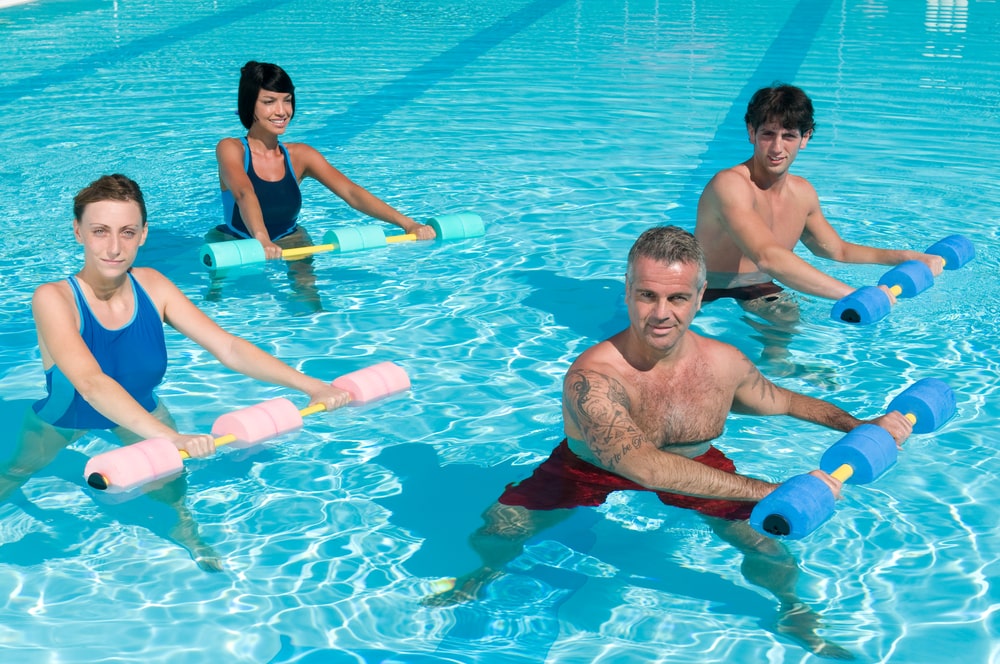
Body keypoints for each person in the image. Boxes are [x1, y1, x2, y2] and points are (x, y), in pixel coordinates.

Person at [425, 226, 912, 659]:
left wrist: (859, 426)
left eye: (677, 298)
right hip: (588, 466)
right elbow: (646, 467)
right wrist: (769, 490)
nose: (661, 313)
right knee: (497, 529)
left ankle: (792, 609)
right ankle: (482, 575)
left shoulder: (723, 363)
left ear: (701, 296)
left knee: (765, 541)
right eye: (647, 296)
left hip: (693, 460)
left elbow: (779, 400)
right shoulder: (594, 377)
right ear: (628, 293)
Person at [7, 174, 351, 570]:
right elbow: (90, 382)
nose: (114, 247)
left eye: (127, 232)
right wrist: (170, 436)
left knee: (171, 484)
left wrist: (312, 385)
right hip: (65, 415)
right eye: (100, 231)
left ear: (143, 235)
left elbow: (228, 346)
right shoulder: (52, 297)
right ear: (78, 232)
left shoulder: (153, 286)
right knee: (15, 473)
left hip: (140, 408)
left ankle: (188, 535)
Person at [694, 83, 944, 324]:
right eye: (768, 134)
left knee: (788, 318)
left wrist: (907, 257)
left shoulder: (802, 193)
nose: (777, 147)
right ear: (751, 132)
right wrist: (853, 294)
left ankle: (780, 365)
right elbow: (767, 258)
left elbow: (836, 250)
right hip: (704, 289)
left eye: (789, 136)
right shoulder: (730, 184)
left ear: (805, 138)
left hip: (758, 286)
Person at [209, 60, 434, 262]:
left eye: (287, 101)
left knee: (309, 298)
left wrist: (408, 223)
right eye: (269, 101)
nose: (282, 111)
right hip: (233, 241)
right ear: (250, 105)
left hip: (291, 240)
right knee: (216, 300)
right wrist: (262, 239)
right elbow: (244, 192)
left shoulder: (301, 156)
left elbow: (351, 192)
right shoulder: (231, 148)